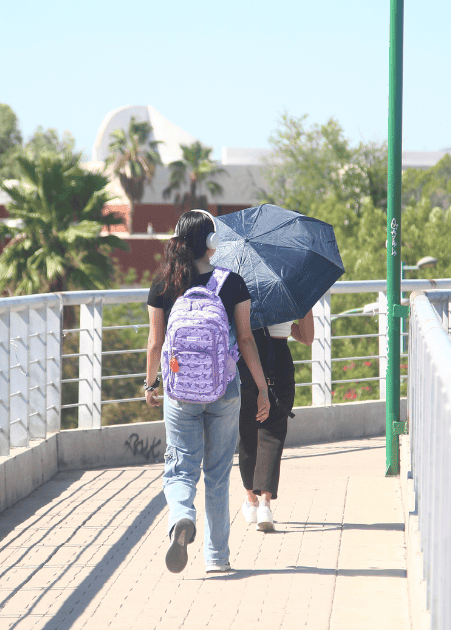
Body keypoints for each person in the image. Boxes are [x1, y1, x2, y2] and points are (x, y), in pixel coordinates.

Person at [144, 209, 270, 574]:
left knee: (180, 468)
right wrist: (261, 388)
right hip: (225, 389)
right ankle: (217, 558)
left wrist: (151, 384)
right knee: (217, 473)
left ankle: (182, 517)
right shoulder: (232, 282)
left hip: (179, 390)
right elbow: (245, 340)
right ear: (212, 244)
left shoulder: (163, 283)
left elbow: (155, 343)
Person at [239, 309, 314, 532]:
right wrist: (302, 306)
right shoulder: (289, 289)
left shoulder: (241, 285)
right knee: (273, 433)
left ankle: (251, 501)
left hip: (247, 356)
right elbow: (307, 337)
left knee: (247, 431)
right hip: (279, 360)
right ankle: (264, 505)